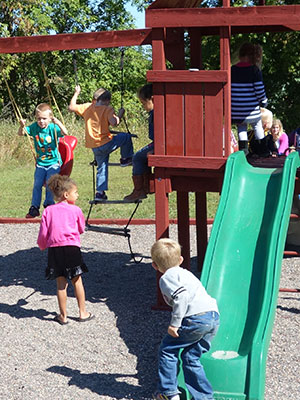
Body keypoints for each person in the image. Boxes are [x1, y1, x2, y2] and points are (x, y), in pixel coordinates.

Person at [151, 238, 220, 400]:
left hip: (194, 318)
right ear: (181, 260)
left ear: (155, 265)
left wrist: (174, 324)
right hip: (213, 316)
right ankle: (204, 397)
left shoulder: (166, 278)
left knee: (167, 350)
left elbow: (181, 297)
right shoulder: (186, 273)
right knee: (191, 357)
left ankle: (168, 393)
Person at [37, 174, 94, 325]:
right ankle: (83, 312)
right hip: (72, 248)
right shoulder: (76, 210)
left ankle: (63, 316)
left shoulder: (48, 211)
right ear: (66, 194)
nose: (78, 195)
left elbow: (44, 233)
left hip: (55, 250)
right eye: (76, 192)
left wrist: (42, 245)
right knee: (77, 281)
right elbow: (81, 228)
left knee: (61, 284)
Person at [68, 85, 134, 201]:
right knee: (125, 137)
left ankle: (100, 193)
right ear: (107, 101)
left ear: (95, 99)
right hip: (105, 143)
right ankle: (126, 158)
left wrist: (77, 92)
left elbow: (71, 107)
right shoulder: (108, 109)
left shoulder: (88, 107)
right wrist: (120, 114)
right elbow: (114, 123)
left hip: (94, 146)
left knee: (102, 167)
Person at [18, 103, 68, 218]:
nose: (41, 121)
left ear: (50, 118)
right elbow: (21, 134)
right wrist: (21, 126)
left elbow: (65, 133)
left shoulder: (53, 128)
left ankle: (49, 204)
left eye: (44, 119)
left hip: (54, 162)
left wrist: (58, 122)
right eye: (39, 118)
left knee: (51, 184)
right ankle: (34, 208)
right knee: (37, 184)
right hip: (40, 164)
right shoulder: (34, 127)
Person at [231, 42, 268, 154]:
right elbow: (259, 90)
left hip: (236, 110)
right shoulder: (254, 70)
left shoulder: (232, 70)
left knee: (241, 127)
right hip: (250, 110)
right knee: (257, 126)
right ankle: (263, 151)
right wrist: (264, 101)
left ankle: (244, 152)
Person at [123, 84, 154, 202]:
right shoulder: (157, 112)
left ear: (152, 99)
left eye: (144, 103)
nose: (144, 107)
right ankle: (145, 187)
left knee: (137, 157)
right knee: (140, 155)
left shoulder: (156, 113)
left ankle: (140, 189)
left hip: (161, 144)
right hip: (160, 143)